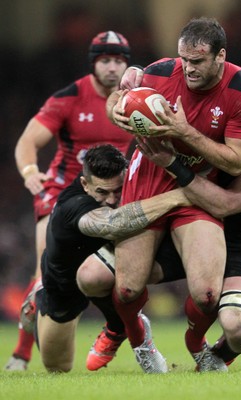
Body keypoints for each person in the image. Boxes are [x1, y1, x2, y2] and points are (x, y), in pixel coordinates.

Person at [105, 16, 241, 372]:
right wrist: (116, 108)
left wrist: (184, 133)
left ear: (220, 56)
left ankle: (196, 344)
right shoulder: (160, 72)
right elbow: (117, 102)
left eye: (197, 61)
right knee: (127, 290)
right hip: (146, 178)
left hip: (195, 187)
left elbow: (237, 163)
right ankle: (140, 340)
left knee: (207, 296)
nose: (187, 68)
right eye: (183, 59)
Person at [132, 73, 241, 368]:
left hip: (238, 241)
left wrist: (172, 165)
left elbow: (223, 204)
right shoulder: (232, 114)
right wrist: (135, 74)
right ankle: (125, 330)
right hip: (186, 224)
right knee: (106, 276)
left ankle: (216, 356)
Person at [5, 30, 136, 371]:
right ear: (93, 63)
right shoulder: (69, 98)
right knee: (44, 268)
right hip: (64, 194)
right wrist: (31, 171)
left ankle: (128, 332)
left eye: (119, 61)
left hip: (111, 196)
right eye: (105, 60)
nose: (112, 68)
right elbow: (26, 142)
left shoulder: (135, 99)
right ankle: (21, 354)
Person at [35, 143, 191, 373]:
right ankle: (33, 301)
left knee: (96, 276)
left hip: (101, 270)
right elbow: (114, 224)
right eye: (102, 192)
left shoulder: (136, 182)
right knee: (57, 367)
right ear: (85, 184)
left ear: (126, 175)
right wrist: (179, 195)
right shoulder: (72, 204)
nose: (110, 199)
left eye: (117, 190)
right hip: (64, 284)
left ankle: (121, 327)